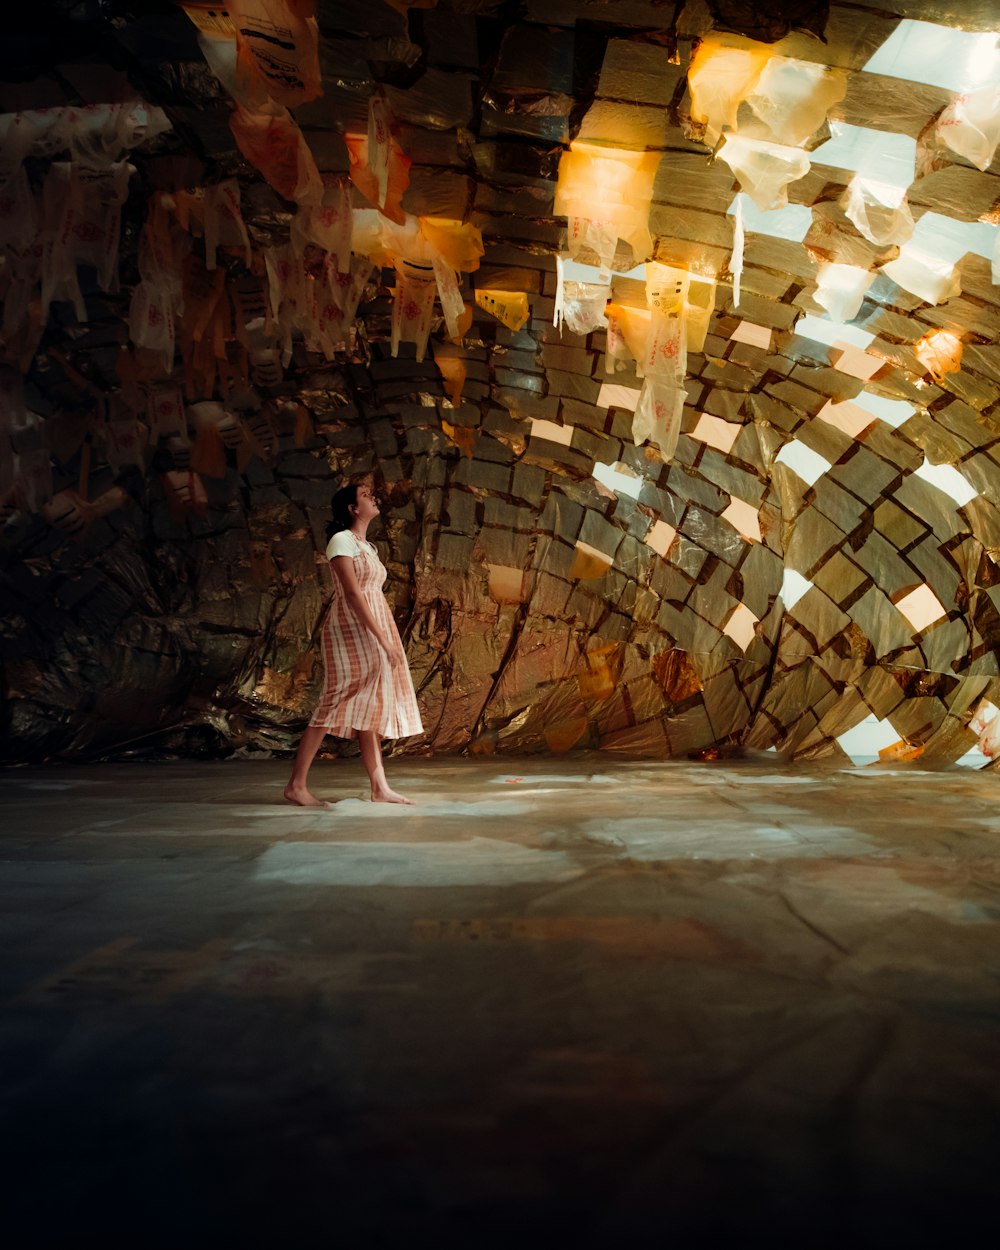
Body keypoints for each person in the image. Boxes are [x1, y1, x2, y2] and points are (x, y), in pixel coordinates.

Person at [284, 481, 423, 807]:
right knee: (334, 701)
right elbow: (352, 593)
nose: (373, 498)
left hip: (371, 625)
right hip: (351, 629)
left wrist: (385, 637)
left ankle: (380, 787)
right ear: (352, 508)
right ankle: (296, 785)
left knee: (372, 705)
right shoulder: (340, 540)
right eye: (364, 495)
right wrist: (383, 639)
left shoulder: (367, 547)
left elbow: (370, 593)